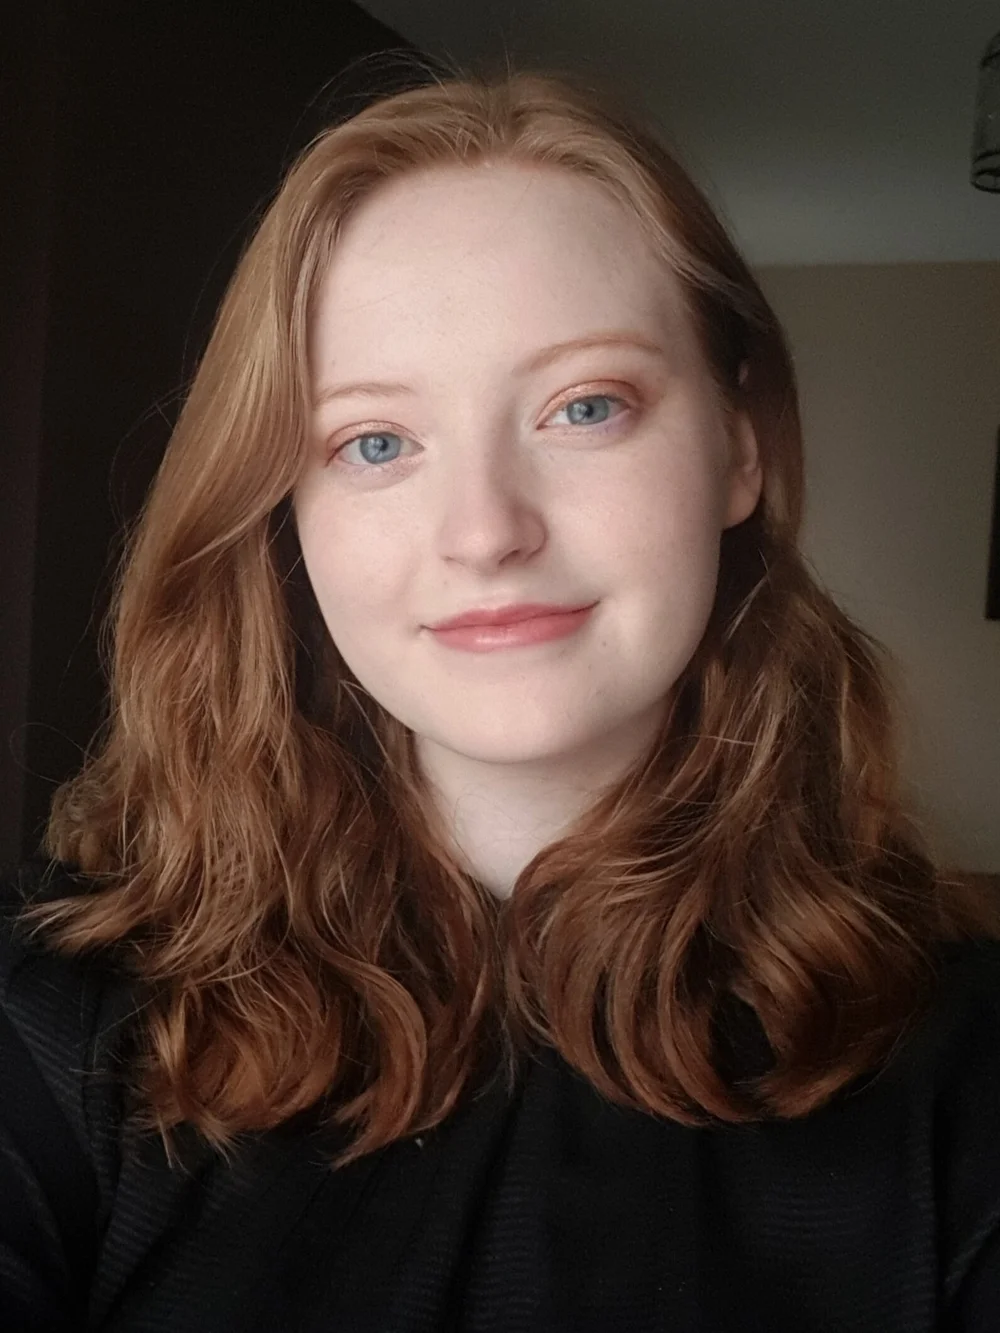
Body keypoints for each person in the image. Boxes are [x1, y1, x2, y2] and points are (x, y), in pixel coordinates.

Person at [1, 65, 999, 1333]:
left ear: (739, 444)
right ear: (284, 508)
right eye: (375, 441)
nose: (484, 530)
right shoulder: (59, 1024)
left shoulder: (963, 1067)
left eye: (585, 407)